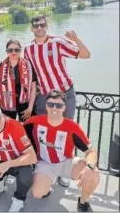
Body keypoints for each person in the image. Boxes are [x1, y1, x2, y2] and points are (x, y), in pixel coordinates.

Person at [24, 14, 91, 187]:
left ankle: (64, 170)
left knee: (66, 131)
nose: (39, 28)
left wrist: (76, 39)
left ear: (47, 26)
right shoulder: (28, 49)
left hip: (64, 94)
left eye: (42, 25)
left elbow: (85, 55)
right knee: (42, 132)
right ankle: (44, 166)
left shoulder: (58, 42)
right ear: (31, 28)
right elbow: (31, 76)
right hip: (45, 97)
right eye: (36, 25)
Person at [23, 90, 100, 212]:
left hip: (66, 162)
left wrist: (89, 167)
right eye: (50, 104)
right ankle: (46, 187)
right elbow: (17, 136)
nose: (54, 108)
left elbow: (91, 152)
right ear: (46, 106)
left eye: (59, 105)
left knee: (94, 173)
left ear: (64, 108)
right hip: (44, 163)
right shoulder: (34, 122)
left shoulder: (72, 127)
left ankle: (83, 201)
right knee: (37, 193)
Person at [0, 39, 37, 122]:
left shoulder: (28, 65)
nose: (13, 52)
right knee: (7, 129)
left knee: (27, 129)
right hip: (7, 103)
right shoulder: (0, 66)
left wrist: (30, 108)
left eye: (17, 50)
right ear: (7, 52)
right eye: (10, 50)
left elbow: (33, 88)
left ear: (20, 50)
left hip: (25, 103)